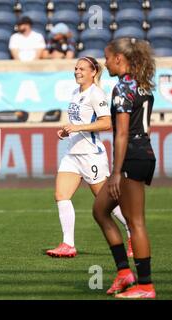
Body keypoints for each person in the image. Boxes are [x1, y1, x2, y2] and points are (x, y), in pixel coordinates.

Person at [46, 56, 132, 258]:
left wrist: (78, 127)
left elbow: (105, 123)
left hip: (91, 155)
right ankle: (68, 244)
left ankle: (132, 232)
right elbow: (79, 122)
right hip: (72, 153)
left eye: (82, 69)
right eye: (76, 68)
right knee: (61, 195)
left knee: (106, 202)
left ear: (93, 72)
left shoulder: (96, 94)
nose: (77, 71)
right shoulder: (76, 92)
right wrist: (68, 131)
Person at [93, 38, 157, 299]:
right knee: (100, 210)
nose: (104, 62)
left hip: (131, 157)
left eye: (107, 57)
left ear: (119, 58)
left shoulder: (122, 87)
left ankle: (145, 286)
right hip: (141, 154)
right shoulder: (141, 84)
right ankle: (124, 273)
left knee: (135, 221)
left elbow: (121, 134)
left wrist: (116, 172)